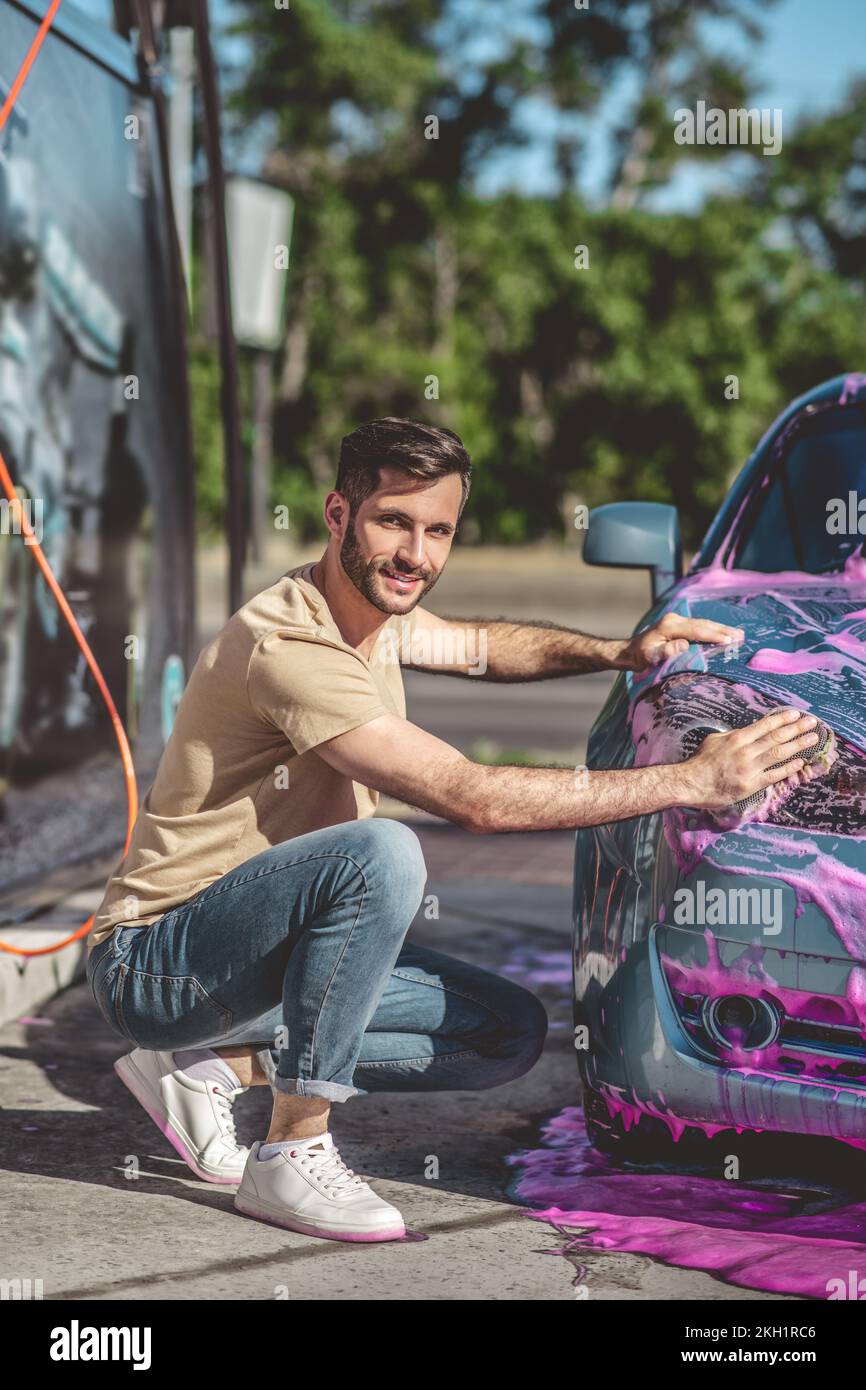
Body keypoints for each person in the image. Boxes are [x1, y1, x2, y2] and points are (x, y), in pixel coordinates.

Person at [86, 417, 819, 1242]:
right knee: (381, 856)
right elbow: (473, 797)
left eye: (438, 531)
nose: (415, 554)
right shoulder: (289, 643)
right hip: (157, 962)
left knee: (502, 1033)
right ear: (337, 515)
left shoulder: (374, 611)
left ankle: (209, 1066)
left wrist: (624, 651)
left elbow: (483, 646)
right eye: (392, 521)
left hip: (248, 959)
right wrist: (693, 779)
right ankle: (290, 1152)